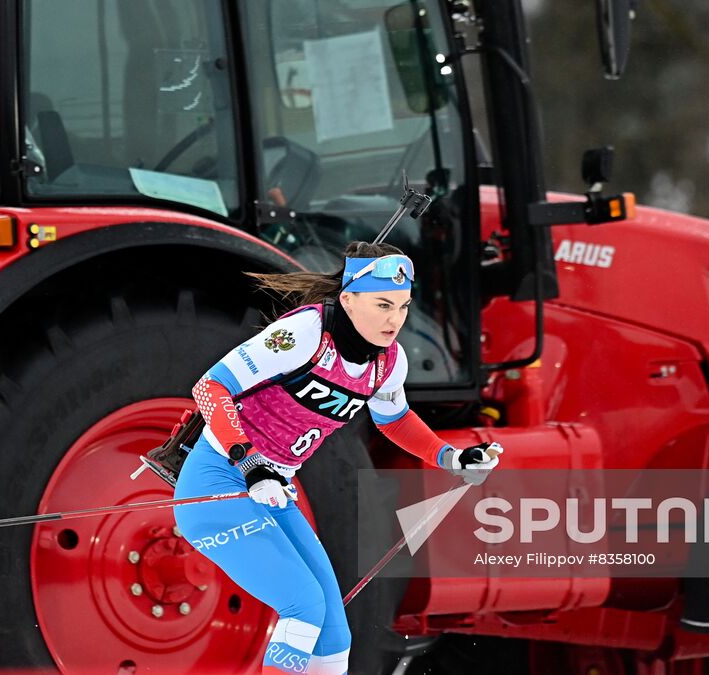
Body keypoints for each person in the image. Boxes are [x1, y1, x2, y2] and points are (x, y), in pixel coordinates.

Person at [173, 241, 504, 675]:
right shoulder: (305, 335)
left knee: (334, 635)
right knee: (303, 608)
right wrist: (249, 461)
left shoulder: (388, 363)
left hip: (274, 492)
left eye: (403, 307)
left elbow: (395, 419)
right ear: (348, 299)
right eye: (383, 304)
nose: (395, 320)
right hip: (219, 483)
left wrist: (453, 458)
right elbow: (210, 389)